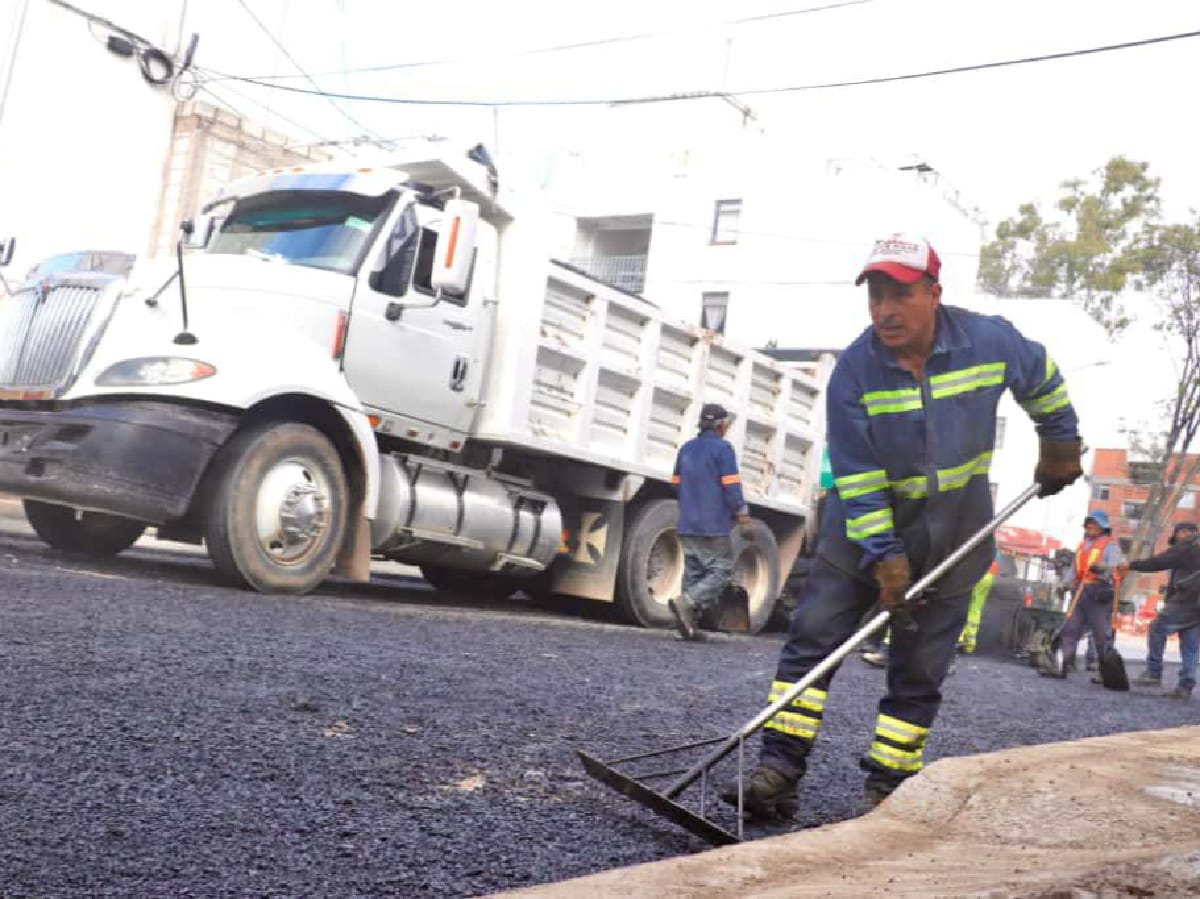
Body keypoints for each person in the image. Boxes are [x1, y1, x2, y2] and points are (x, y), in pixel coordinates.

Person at [720, 232, 1083, 820]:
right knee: (813, 641)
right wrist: (885, 558)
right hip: (860, 531)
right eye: (876, 295)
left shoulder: (988, 341)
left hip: (955, 530)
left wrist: (1059, 436)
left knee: (919, 667)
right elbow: (859, 477)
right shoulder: (855, 372)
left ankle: (887, 789)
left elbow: (1040, 374)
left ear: (934, 293)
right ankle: (776, 773)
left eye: (900, 294)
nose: (885, 309)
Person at [667, 403, 752, 641]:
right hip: (713, 523)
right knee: (722, 571)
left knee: (694, 571)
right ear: (721, 426)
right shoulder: (723, 450)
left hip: (687, 521)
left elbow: (675, 483)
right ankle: (688, 603)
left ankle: (688, 627)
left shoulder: (686, 449)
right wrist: (741, 512)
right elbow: (731, 486)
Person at [1119, 521, 1200, 700]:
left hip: (1187, 600)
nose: (1177, 540)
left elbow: (1160, 561)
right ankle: (1185, 686)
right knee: (1190, 643)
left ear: (1186, 532)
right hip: (1196, 605)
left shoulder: (1189, 546)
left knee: (1157, 627)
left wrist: (1131, 565)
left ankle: (1153, 672)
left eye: (1177, 535)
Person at [1058, 510, 1124, 676]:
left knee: (1101, 633)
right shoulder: (1082, 545)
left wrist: (1104, 569)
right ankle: (1066, 663)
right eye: (1089, 524)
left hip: (1099, 592)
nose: (1091, 527)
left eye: (1095, 524)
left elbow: (1116, 568)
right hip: (1080, 591)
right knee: (1070, 629)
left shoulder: (1111, 545)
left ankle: (1105, 669)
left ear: (1103, 527)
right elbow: (1074, 569)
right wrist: (1065, 584)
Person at [958, 555, 1001, 654]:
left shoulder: (977, 544)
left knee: (964, 603)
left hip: (978, 573)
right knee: (976, 608)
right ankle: (970, 645)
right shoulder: (994, 549)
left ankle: (959, 637)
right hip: (989, 576)